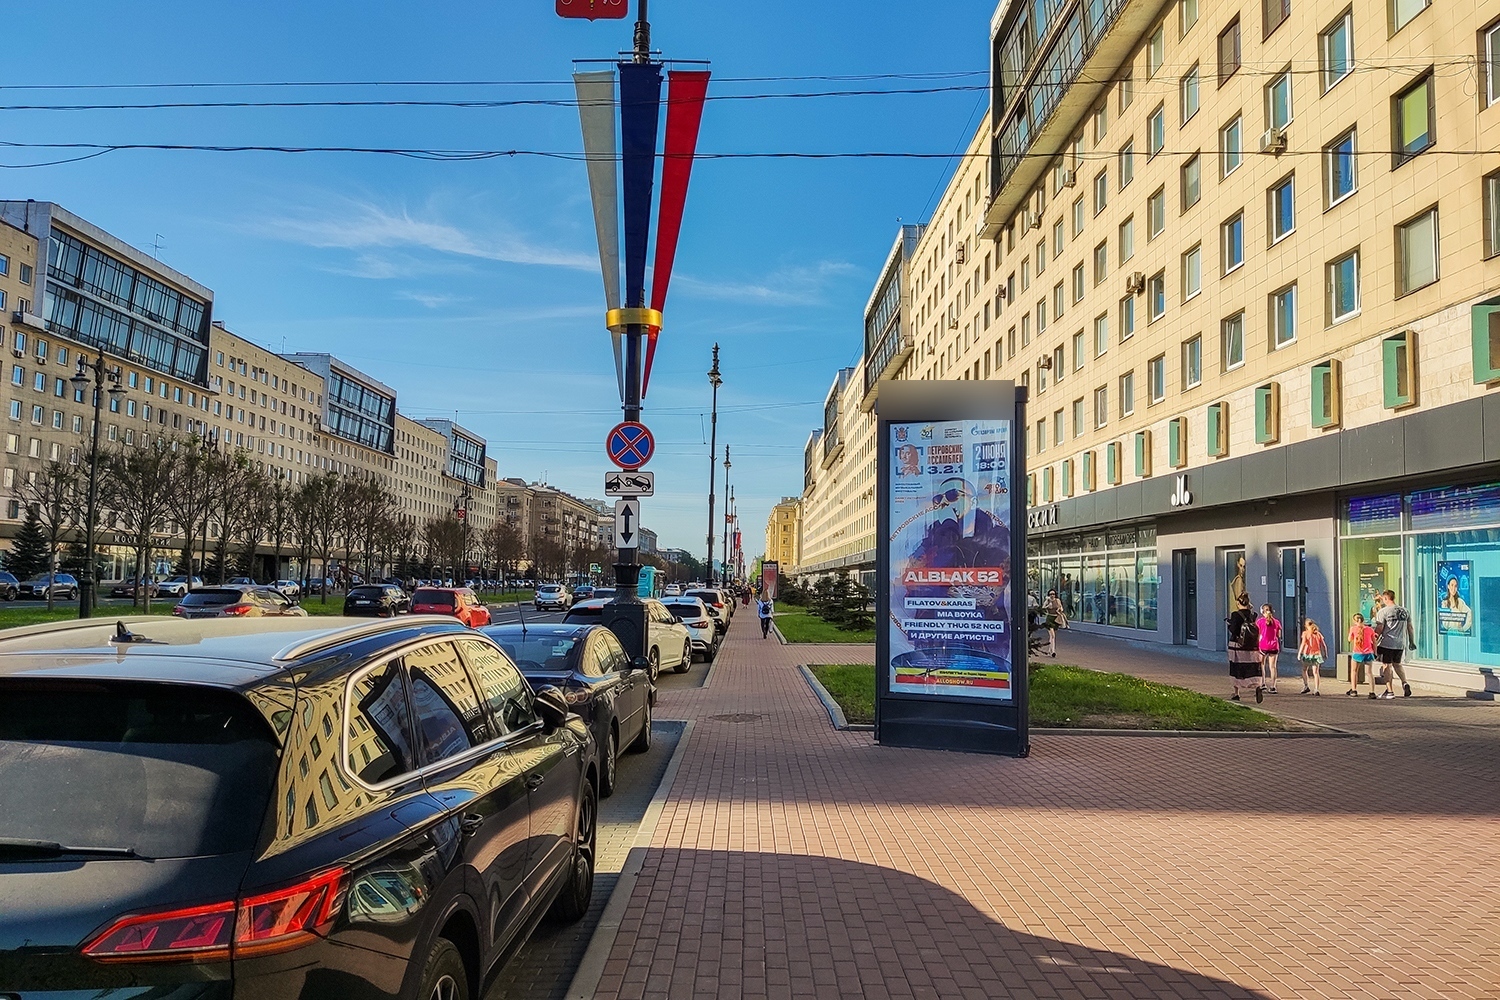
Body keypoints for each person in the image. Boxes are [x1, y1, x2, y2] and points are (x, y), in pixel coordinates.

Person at [1372, 589, 1416, 698]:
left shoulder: (1383, 611)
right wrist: (1411, 641)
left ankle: (1390, 691)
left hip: (1387, 642)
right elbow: (1410, 627)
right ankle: (1404, 682)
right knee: (1397, 664)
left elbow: (1380, 628)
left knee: (1387, 665)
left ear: (1386, 598)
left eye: (1383, 599)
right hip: (1400, 643)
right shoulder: (1405, 611)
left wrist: (1373, 641)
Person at [1227, 593, 1264, 703]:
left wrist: (1229, 625)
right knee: (1253, 666)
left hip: (1237, 645)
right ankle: (1257, 686)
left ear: (1238, 603)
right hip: (1252, 646)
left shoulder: (1235, 615)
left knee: (1236, 666)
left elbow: (1234, 630)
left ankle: (1236, 693)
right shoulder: (1253, 615)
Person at [1347, 613, 1376, 697]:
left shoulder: (1353, 629)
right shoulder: (1370, 629)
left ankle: (1354, 690)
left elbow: (1349, 639)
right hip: (1368, 652)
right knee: (1369, 672)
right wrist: (1375, 652)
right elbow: (1374, 642)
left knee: (1354, 671)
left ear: (1354, 621)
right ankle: (1372, 691)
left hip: (1357, 652)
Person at [1258, 604, 1284, 694]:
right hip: (1273, 646)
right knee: (1273, 667)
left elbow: (1258, 634)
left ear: (1262, 611)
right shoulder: (1276, 622)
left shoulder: (1260, 622)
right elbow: (1279, 635)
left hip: (1263, 645)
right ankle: (1273, 686)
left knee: (1261, 664)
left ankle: (1262, 683)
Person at [1297, 619, 1326, 695]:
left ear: (1306, 626)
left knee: (1304, 669)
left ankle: (1306, 685)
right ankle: (1316, 689)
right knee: (1316, 672)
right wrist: (1325, 653)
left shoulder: (1305, 633)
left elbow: (1303, 644)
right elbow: (1323, 645)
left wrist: (1299, 653)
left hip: (1307, 654)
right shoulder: (1318, 634)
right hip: (1316, 655)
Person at [1042, 589, 1067, 657]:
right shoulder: (1047, 601)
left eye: (1053, 594)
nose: (1052, 595)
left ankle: (1049, 651)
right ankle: (1053, 651)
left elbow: (1061, 608)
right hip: (1049, 618)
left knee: (1052, 636)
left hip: (1056, 619)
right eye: (1050, 594)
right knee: (1052, 635)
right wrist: (1048, 606)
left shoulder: (1057, 600)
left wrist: (1059, 609)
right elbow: (1043, 608)